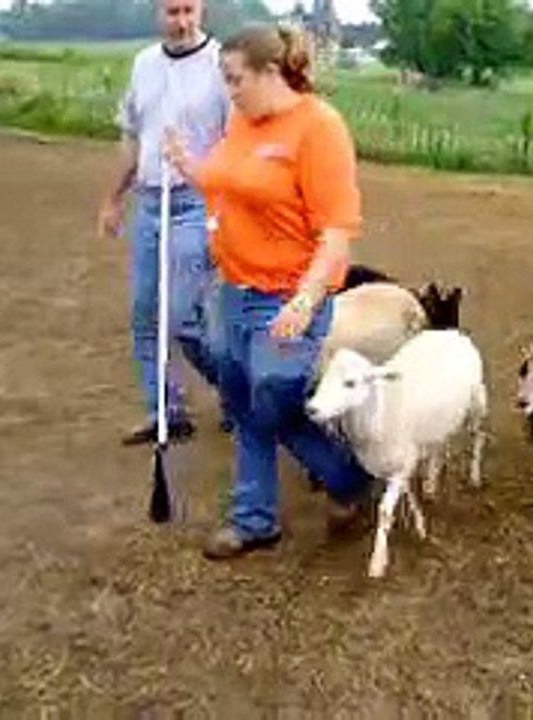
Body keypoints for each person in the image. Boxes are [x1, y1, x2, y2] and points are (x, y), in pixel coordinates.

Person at [163, 23, 378, 560]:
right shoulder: (243, 121)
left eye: (235, 80)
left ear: (270, 73)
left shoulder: (319, 128)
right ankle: (254, 519)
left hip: (289, 298)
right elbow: (230, 182)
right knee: (242, 398)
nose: (228, 91)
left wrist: (305, 301)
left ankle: (349, 479)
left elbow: (336, 231)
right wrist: (189, 166)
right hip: (234, 290)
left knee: (271, 396)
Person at [97, 0, 230, 446]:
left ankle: (237, 392)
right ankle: (165, 412)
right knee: (145, 314)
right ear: (158, 12)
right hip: (151, 201)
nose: (182, 21)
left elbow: (237, 144)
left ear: (203, 10)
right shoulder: (143, 65)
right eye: (173, 11)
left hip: (200, 202)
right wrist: (114, 199)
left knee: (184, 316)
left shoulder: (222, 66)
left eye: (189, 10)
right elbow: (134, 137)